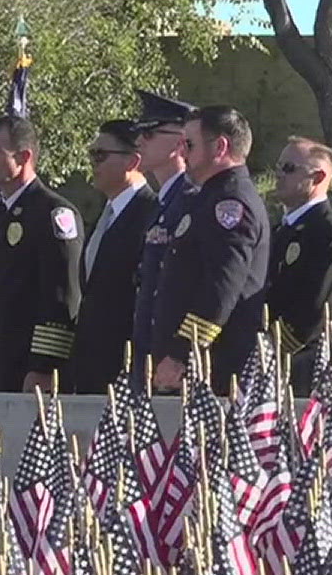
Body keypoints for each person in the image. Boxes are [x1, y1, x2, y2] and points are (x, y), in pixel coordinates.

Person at [151, 105, 269, 393]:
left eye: (189, 145)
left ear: (220, 147)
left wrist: (183, 353)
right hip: (199, 364)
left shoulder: (229, 204)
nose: (182, 153)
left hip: (213, 365)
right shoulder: (208, 197)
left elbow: (221, 286)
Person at [0, 114, 84, 393]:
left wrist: (44, 367)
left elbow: (62, 296)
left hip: (28, 367)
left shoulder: (52, 213)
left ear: (23, 157)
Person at [66, 120, 158, 394]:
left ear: (132, 161)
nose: (93, 164)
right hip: (91, 366)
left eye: (100, 155)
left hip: (127, 366)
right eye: (92, 154)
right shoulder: (105, 216)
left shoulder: (151, 213)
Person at [264, 137, 332, 396]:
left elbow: (317, 307)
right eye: (279, 166)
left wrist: (273, 347)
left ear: (318, 177)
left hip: (302, 360)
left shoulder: (331, 232)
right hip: (266, 360)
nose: (279, 175)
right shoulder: (281, 230)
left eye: (289, 168)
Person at [129, 90, 196, 381]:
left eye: (150, 132)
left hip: (173, 359)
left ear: (181, 142)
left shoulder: (191, 200)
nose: (139, 141)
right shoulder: (162, 203)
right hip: (148, 347)